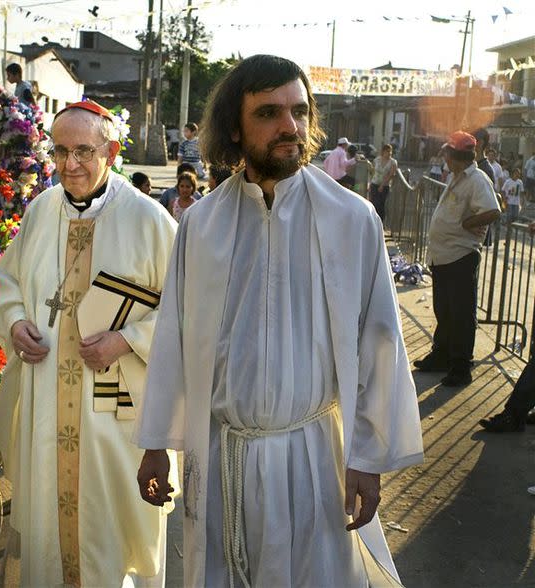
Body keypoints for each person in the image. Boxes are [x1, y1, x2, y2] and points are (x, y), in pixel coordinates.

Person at [135, 54, 423, 587]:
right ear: (235, 130)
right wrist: (157, 443)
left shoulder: (351, 218)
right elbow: (173, 338)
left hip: (315, 459)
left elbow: (380, 341)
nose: (290, 126)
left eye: (299, 111)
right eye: (269, 112)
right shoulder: (201, 224)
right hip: (225, 457)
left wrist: (367, 456)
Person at [0, 99, 177, 587]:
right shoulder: (39, 212)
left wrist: (127, 339)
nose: (69, 165)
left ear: (111, 151)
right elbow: (7, 282)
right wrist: (13, 324)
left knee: (112, 537)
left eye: (83, 152)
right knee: (49, 537)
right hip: (47, 406)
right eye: (59, 152)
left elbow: (190, 309)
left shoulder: (150, 221)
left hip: (114, 414)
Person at [414, 131, 501, 387]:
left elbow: (493, 211)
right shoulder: (456, 177)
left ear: (457, 157)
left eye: (448, 154)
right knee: (445, 312)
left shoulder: (477, 180)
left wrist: (468, 222)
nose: (445, 159)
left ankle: (461, 368)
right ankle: (441, 356)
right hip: (443, 257)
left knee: (461, 316)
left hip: (461, 256)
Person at [369, 144, 398, 225]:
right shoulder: (377, 160)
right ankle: (372, 221)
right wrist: (370, 182)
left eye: (390, 151)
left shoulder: (393, 162)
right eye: (387, 151)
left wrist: (382, 185)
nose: (389, 153)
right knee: (373, 203)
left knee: (380, 204)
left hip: (384, 186)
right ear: (383, 152)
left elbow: (391, 175)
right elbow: (372, 172)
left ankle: (380, 223)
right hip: (374, 183)